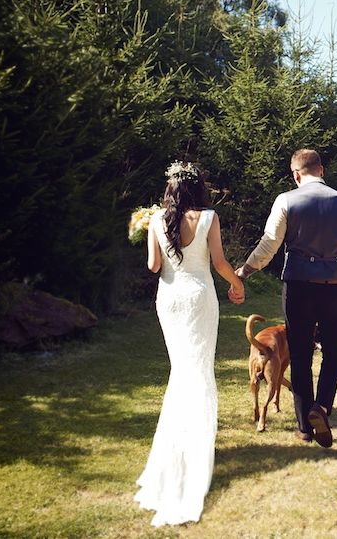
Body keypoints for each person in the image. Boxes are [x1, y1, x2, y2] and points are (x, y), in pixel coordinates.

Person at [135, 161, 245, 527]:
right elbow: (218, 261)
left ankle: (180, 448)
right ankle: (197, 446)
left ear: (169, 188)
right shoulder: (209, 217)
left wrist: (151, 236)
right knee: (198, 370)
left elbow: (153, 266)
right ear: (198, 188)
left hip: (170, 299)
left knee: (181, 371)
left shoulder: (155, 219)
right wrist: (238, 283)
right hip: (199, 298)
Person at [236, 149, 337, 448]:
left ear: (296, 174)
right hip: (336, 285)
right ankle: (322, 407)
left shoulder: (286, 200)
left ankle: (304, 426)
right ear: (322, 171)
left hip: (299, 286)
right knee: (334, 351)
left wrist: (245, 270)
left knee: (301, 354)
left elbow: (269, 245)